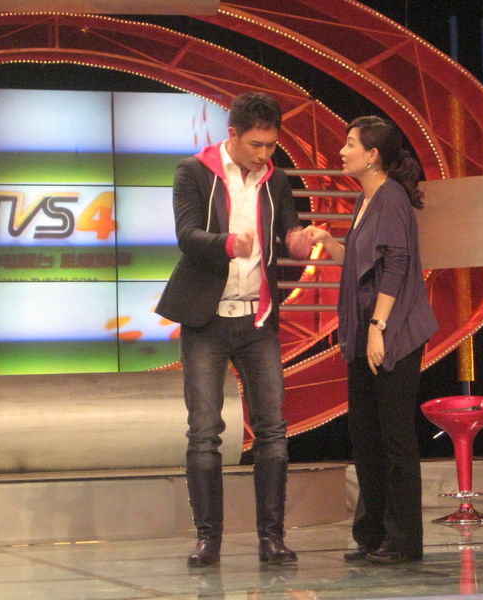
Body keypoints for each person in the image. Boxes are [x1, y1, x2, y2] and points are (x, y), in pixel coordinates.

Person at [156, 92, 312, 567]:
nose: (264, 154)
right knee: (205, 431)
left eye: (271, 145)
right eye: (256, 145)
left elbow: (289, 233)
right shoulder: (194, 171)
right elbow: (187, 236)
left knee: (272, 429)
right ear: (233, 135)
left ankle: (272, 538)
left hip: (257, 319)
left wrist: (299, 241)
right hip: (207, 319)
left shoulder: (275, 179)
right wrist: (227, 244)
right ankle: (209, 539)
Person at [305, 116, 437, 564]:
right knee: (366, 435)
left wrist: (379, 327)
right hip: (366, 332)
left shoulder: (392, 198)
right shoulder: (367, 198)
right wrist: (329, 242)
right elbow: (363, 261)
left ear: (373, 154)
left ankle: (404, 540)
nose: (342, 152)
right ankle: (373, 532)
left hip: (392, 332)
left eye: (350, 144)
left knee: (395, 438)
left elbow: (396, 265)